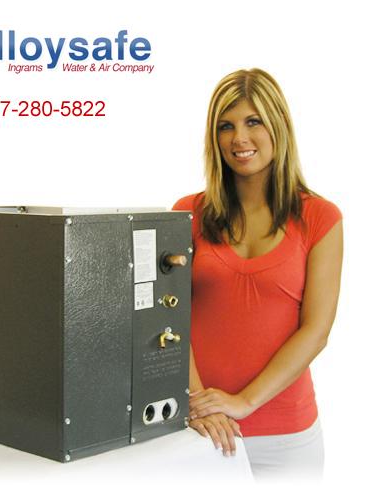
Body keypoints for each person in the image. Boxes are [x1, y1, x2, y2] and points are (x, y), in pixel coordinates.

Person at [172, 68, 343, 481]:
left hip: (287, 437)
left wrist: (245, 401)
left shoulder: (320, 217)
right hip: (202, 430)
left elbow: (316, 330)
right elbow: (170, 318)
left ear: (278, 124)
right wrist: (198, 402)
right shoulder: (187, 213)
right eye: (226, 126)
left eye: (253, 122)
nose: (239, 138)